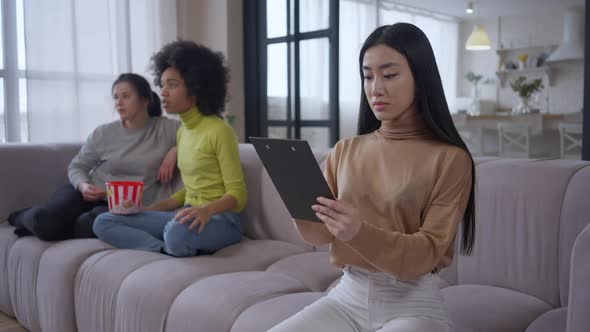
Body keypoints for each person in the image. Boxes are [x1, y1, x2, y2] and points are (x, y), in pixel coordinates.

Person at [269, 23, 476, 332]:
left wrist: (358, 232)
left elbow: (426, 253)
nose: (375, 88)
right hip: (346, 298)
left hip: (413, 304)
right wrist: (299, 199)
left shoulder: (451, 159)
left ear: (421, 77)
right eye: (367, 76)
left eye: (389, 75)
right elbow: (318, 235)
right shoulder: (346, 150)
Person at [93, 40, 247, 257]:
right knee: (105, 220)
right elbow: (188, 191)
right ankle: (160, 248)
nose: (163, 92)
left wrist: (205, 210)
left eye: (172, 85)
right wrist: (147, 210)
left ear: (195, 88)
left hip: (222, 220)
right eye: (162, 84)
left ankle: (170, 238)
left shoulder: (219, 131)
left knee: (177, 232)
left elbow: (238, 195)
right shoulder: (183, 131)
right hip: (186, 216)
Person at [7, 73, 180, 240]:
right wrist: (83, 186)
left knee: (86, 225)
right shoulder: (104, 133)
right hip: (84, 195)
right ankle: (22, 217)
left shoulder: (167, 129)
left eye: (126, 96)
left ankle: (47, 229)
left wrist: (175, 150)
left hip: (118, 207)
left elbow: (199, 135)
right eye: (115, 97)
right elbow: (77, 166)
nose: (119, 103)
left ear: (145, 99)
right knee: (46, 221)